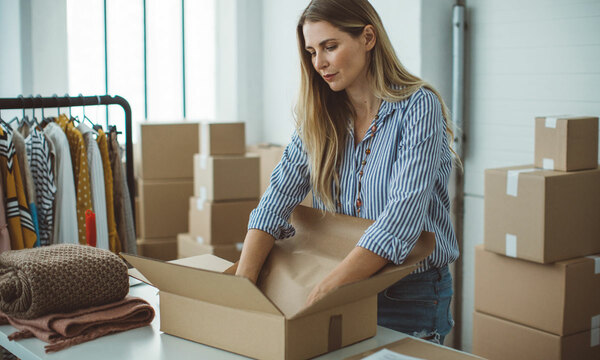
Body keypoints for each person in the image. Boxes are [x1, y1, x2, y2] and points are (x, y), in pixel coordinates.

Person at [235, 0, 459, 345]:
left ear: (368, 38)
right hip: (339, 286)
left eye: (330, 46)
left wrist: (328, 286)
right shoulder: (319, 117)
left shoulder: (418, 108)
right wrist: (242, 288)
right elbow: (275, 200)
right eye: (311, 51)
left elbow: (399, 219)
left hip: (407, 295)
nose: (319, 63)